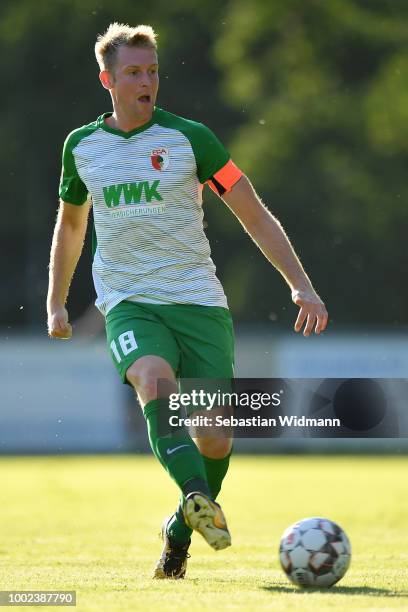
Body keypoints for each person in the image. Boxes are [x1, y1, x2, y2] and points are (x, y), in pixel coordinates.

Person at [47, 22, 328, 580]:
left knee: (216, 435)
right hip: (129, 300)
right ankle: (198, 495)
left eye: (152, 71)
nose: (147, 81)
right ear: (108, 80)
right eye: (134, 72)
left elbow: (251, 210)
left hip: (199, 301)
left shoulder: (190, 139)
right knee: (153, 381)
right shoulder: (82, 148)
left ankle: (179, 531)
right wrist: (56, 301)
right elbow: (71, 226)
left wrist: (299, 281)